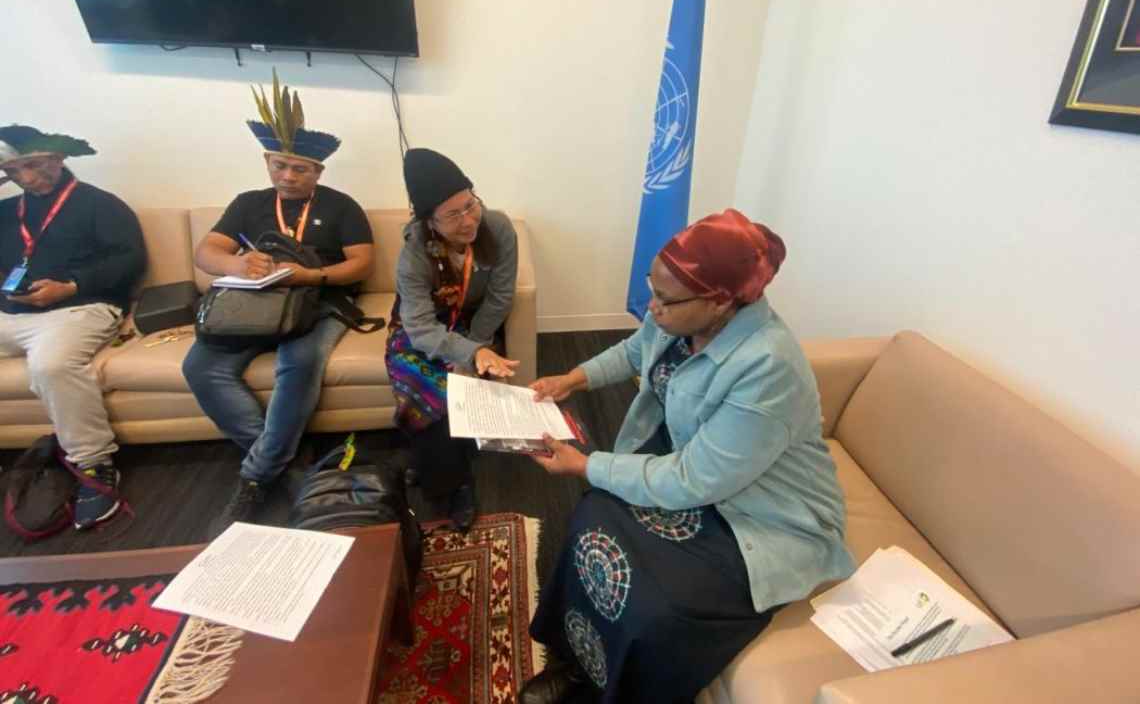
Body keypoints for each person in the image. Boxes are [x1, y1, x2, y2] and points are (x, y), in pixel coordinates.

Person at [519, 210, 855, 704]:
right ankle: (579, 662)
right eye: (651, 288)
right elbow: (634, 351)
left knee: (656, 606)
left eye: (665, 298)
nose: (652, 306)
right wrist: (572, 379)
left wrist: (586, 463)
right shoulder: (677, 315)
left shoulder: (768, 366)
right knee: (594, 515)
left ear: (721, 301)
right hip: (701, 476)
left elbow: (695, 480)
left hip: (764, 516)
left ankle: (621, 690)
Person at [182, 76, 373, 534]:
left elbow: (361, 263)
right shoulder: (247, 204)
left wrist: (311, 275)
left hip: (319, 301)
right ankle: (284, 464)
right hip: (253, 302)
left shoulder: (342, 206)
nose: (288, 176)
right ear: (267, 163)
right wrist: (238, 262)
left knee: (300, 362)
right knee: (200, 367)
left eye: (299, 169)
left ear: (318, 172)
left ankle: (255, 476)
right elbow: (206, 252)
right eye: (279, 165)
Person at [0, 124, 146, 529]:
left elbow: (130, 260)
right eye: (15, 171)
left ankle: (94, 464)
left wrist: (71, 286)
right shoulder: (6, 211)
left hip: (80, 308)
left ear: (57, 157)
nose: (28, 178)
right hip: (10, 313)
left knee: (51, 365)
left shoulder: (101, 204)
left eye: (35, 166)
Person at [385, 148, 518, 531]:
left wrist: (476, 347)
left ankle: (434, 467)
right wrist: (468, 353)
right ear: (429, 221)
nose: (468, 220)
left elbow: (500, 297)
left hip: (474, 325)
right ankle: (453, 482)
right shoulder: (414, 254)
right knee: (424, 384)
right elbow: (420, 327)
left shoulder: (498, 228)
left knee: (461, 378)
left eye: (470, 204)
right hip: (422, 329)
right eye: (453, 215)